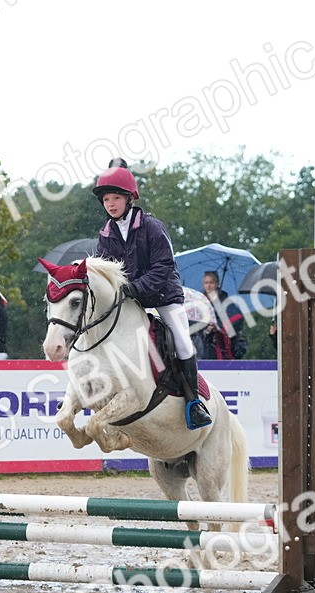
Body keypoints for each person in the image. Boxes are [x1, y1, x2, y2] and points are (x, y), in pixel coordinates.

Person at [93, 157, 211, 429]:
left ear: (129, 198)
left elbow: (164, 268)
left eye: (115, 198)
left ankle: (194, 402)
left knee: (182, 340)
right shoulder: (106, 233)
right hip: (132, 299)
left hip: (164, 295)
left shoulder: (151, 226)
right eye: (106, 199)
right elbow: (104, 270)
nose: (110, 204)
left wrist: (136, 287)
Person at [201, 270, 247, 360]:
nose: (208, 285)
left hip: (223, 348)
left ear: (217, 284)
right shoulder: (200, 301)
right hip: (205, 349)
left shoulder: (225, 301)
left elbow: (237, 318)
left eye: (211, 282)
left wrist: (218, 325)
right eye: (206, 283)